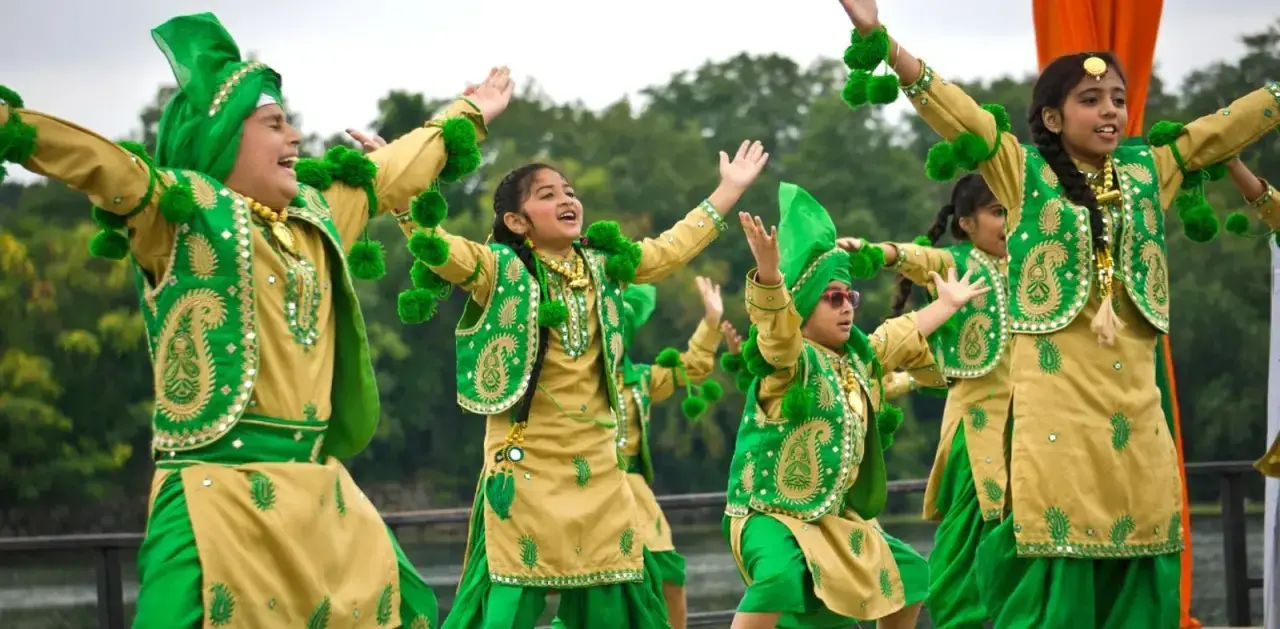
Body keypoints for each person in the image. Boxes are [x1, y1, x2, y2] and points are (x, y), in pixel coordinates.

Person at [0, 12, 513, 627]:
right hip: (213, 499)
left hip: (321, 500)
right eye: (274, 124)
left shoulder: (318, 216)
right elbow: (96, 162)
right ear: (220, 138)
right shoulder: (177, 211)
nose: (294, 136)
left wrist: (469, 110)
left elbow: (393, 168)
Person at [834, 0, 1280, 625]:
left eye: (1118, 100)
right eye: (1091, 100)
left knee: (1145, 539)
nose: (1110, 113)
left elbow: (1227, 126)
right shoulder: (1023, 171)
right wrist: (880, 38)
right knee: (1054, 553)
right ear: (1052, 115)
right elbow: (955, 110)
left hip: (1135, 404)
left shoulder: (1151, 170)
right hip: (1055, 406)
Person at [399, 143, 769, 628]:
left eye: (569, 192)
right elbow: (438, 247)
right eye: (547, 195)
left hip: (597, 463)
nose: (566, 199)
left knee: (611, 595)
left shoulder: (605, 265)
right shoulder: (500, 269)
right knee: (511, 594)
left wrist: (729, 189)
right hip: (526, 461)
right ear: (517, 222)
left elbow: (671, 248)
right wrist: (403, 183)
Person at [723, 181, 986, 629]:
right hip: (770, 516)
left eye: (851, 297)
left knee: (910, 574)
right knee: (780, 577)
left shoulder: (861, 358)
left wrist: (945, 304)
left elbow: (903, 332)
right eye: (833, 298)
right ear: (804, 305)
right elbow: (775, 330)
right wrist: (769, 276)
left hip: (831, 520)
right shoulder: (790, 361)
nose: (847, 307)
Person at [837, 173, 1009, 629]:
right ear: (967, 223)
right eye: (997, 212)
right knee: (966, 539)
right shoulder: (954, 264)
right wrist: (872, 251)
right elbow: (911, 258)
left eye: (1012, 209)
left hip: (1037, 423)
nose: (1008, 222)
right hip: (977, 427)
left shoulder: (1035, 265)